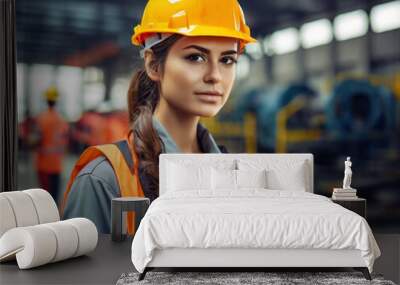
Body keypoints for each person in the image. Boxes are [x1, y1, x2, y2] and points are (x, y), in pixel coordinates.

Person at [61, 0, 256, 233]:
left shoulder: (234, 176)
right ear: (154, 65)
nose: (215, 76)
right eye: (196, 57)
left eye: (227, 60)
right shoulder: (104, 181)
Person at [32, 87, 69, 204]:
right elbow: (65, 139)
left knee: (44, 198)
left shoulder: (42, 119)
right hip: (57, 164)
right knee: (54, 197)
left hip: (44, 165)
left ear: (46, 100)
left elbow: (36, 139)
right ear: (57, 101)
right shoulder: (62, 119)